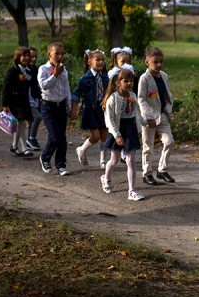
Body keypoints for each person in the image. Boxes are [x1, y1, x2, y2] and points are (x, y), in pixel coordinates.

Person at [101, 65, 145, 202]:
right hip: (118, 130)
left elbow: (137, 112)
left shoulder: (132, 96)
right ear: (117, 82)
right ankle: (105, 178)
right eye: (125, 81)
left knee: (131, 161)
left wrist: (145, 122)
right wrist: (117, 135)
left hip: (130, 130)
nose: (129, 83)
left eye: (131, 80)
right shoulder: (112, 99)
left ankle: (131, 190)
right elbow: (110, 120)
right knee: (114, 160)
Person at [137, 46, 176, 185]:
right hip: (149, 118)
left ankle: (162, 170)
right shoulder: (144, 78)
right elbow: (141, 99)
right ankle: (147, 173)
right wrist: (148, 117)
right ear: (147, 62)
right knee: (148, 146)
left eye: (161, 61)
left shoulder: (164, 76)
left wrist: (168, 109)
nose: (159, 64)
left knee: (169, 142)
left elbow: (167, 95)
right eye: (155, 62)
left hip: (162, 115)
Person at [38, 40, 76, 176]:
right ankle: (45, 157)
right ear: (49, 54)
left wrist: (70, 107)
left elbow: (67, 90)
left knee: (62, 138)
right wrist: (55, 74)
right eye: (56, 53)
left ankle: (61, 164)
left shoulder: (63, 69)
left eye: (62, 53)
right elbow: (44, 86)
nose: (60, 56)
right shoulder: (43, 69)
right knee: (54, 137)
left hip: (60, 107)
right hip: (48, 107)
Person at [73, 49, 110, 168]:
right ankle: (82, 149)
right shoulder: (85, 79)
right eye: (97, 60)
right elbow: (78, 93)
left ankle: (103, 160)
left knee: (104, 134)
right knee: (96, 136)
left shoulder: (105, 78)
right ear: (90, 62)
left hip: (102, 109)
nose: (101, 62)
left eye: (102, 60)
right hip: (90, 110)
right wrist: (73, 108)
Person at [1, 46, 40, 157]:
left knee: (20, 123)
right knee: (21, 122)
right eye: (24, 56)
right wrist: (5, 103)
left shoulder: (31, 70)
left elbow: (34, 85)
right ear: (18, 57)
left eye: (28, 56)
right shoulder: (13, 70)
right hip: (14, 101)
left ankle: (14, 146)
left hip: (25, 100)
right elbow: (6, 88)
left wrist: (39, 96)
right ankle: (24, 148)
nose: (27, 58)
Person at [25, 46, 43, 151]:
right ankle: (31, 138)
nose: (34, 59)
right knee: (37, 117)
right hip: (27, 100)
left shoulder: (35, 69)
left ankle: (29, 139)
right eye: (31, 57)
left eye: (35, 57)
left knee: (32, 121)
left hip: (35, 98)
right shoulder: (24, 70)